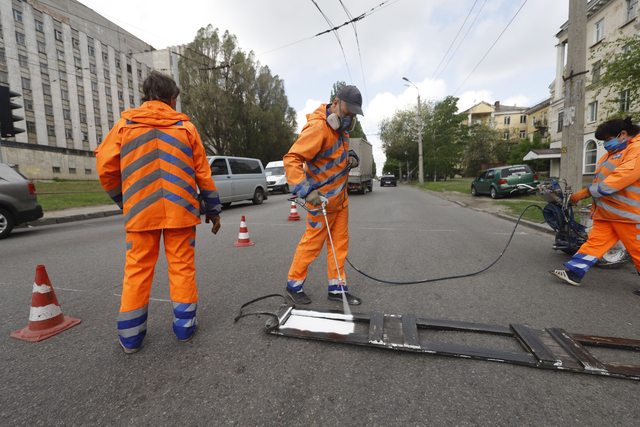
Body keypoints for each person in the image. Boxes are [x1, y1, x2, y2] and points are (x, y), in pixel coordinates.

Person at [96, 71, 222, 353]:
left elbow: (105, 169)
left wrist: (124, 200)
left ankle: (131, 338)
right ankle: (184, 328)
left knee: (137, 271)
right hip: (181, 211)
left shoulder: (125, 126)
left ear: (146, 95)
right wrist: (213, 209)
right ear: (172, 98)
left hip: (141, 212)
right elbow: (203, 173)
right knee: (182, 267)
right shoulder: (186, 128)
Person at [284, 85, 364, 305]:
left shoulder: (341, 131)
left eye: (353, 115)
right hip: (321, 201)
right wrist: (306, 191)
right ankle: (293, 285)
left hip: (340, 201)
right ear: (336, 103)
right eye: (348, 113)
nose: (349, 119)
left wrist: (351, 157)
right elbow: (292, 159)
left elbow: (335, 154)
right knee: (312, 245)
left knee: (339, 245)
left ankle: (337, 288)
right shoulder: (319, 127)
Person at [550, 117, 640, 296]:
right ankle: (574, 273)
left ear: (622, 134)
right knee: (594, 243)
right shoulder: (616, 151)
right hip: (607, 213)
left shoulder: (636, 150)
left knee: (637, 249)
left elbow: (619, 179)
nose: (605, 144)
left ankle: (575, 272)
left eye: (607, 139)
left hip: (628, 215)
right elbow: (603, 178)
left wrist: (585, 193)